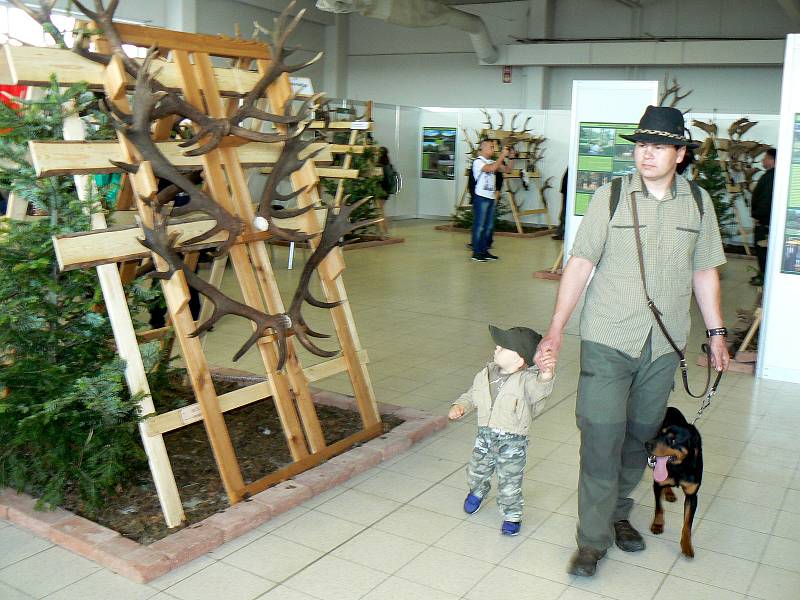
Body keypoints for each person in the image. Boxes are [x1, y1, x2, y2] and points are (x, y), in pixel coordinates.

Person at [533, 105, 730, 577]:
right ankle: (592, 539)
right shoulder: (612, 196)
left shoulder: (699, 204)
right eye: (642, 145)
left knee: (640, 436)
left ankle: (619, 511)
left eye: (659, 146)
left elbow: (705, 272)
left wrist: (717, 333)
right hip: (608, 336)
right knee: (600, 433)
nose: (647, 153)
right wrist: (557, 328)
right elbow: (580, 262)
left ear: (680, 154)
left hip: (663, 347)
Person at [449, 325, 555, 536]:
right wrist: (460, 405)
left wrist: (546, 374)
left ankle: (512, 515)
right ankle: (477, 490)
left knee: (509, 481)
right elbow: (472, 394)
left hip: (512, 442)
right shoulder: (485, 373)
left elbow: (540, 391)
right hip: (485, 436)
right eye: (498, 345)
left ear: (519, 361)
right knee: (476, 470)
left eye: (504, 347)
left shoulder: (527, 381)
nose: (497, 348)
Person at [471, 140, 509, 262]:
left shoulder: (492, 161)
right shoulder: (478, 162)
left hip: (491, 197)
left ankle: (484, 251)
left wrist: (511, 157)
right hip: (481, 197)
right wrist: (502, 155)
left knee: (489, 227)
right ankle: (476, 253)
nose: (494, 149)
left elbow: (507, 169)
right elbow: (491, 168)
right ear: (483, 148)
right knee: (480, 225)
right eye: (491, 147)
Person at [750, 148, 776, 286]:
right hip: (763, 221)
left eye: (765, 158)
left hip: (764, 223)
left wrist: (759, 216)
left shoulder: (772, 177)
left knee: (763, 251)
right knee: (761, 251)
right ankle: (763, 274)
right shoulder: (769, 175)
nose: (762, 160)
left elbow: (766, 199)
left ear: (772, 160)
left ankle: (765, 277)